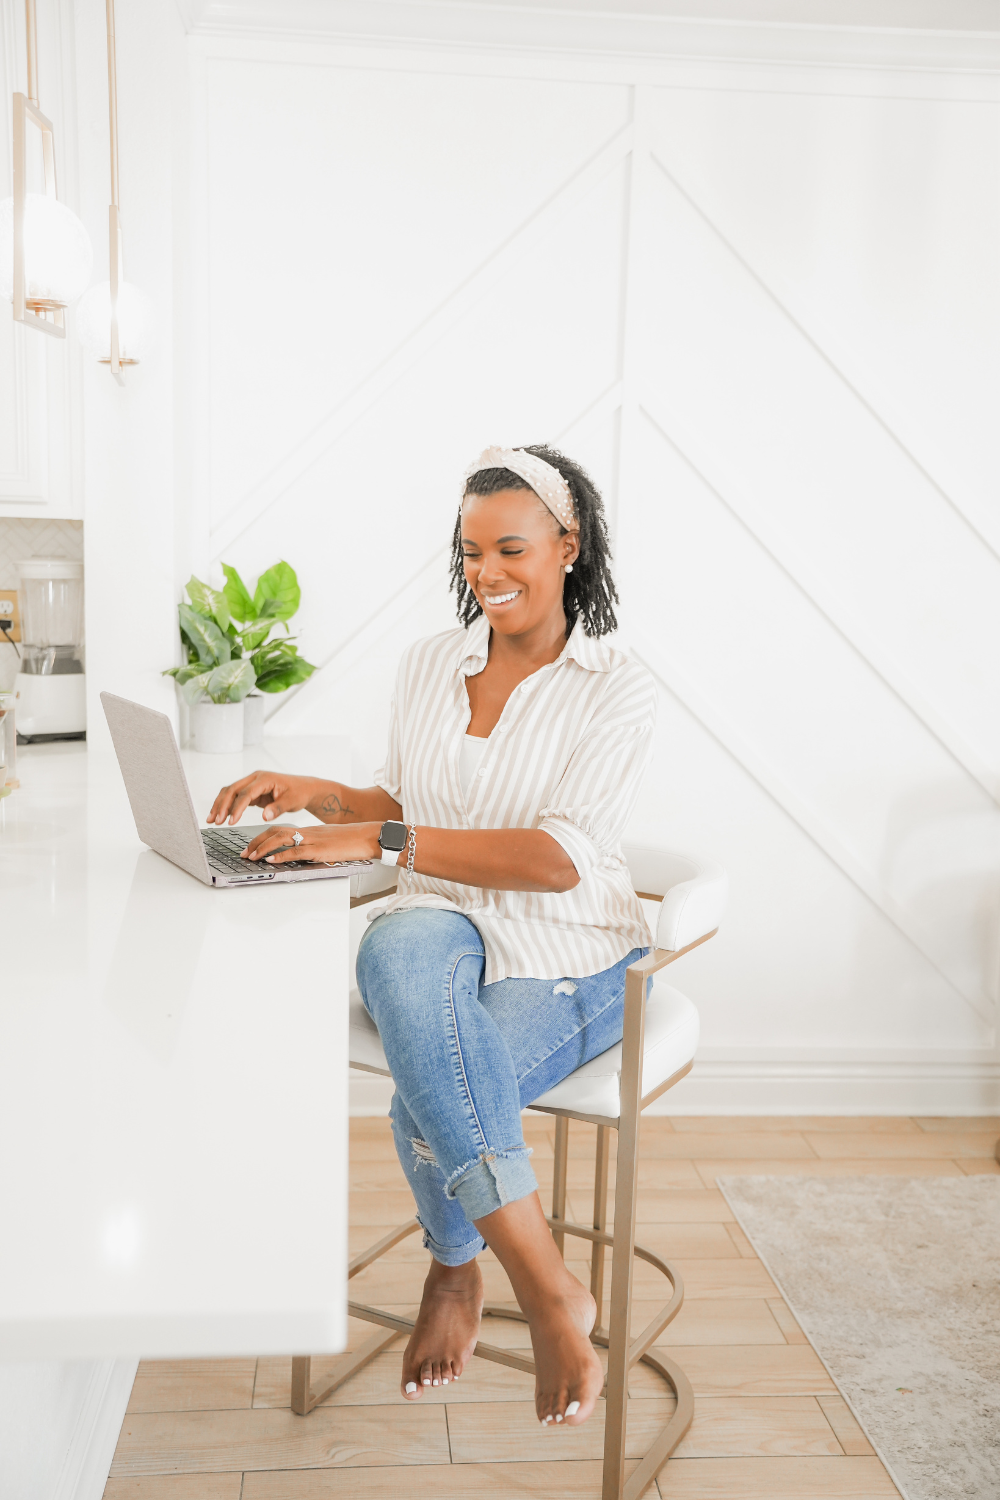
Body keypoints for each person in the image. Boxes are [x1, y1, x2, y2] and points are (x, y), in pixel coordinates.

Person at [208, 445, 657, 1428]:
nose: (484, 575)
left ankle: (461, 1273)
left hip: (574, 944)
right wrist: (315, 792)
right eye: (468, 552)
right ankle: (548, 1288)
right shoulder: (428, 664)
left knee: (438, 1081)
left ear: (569, 546)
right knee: (399, 952)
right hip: (439, 921)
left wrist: (379, 833)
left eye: (509, 550)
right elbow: (405, 802)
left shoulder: (615, 686)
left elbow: (557, 861)